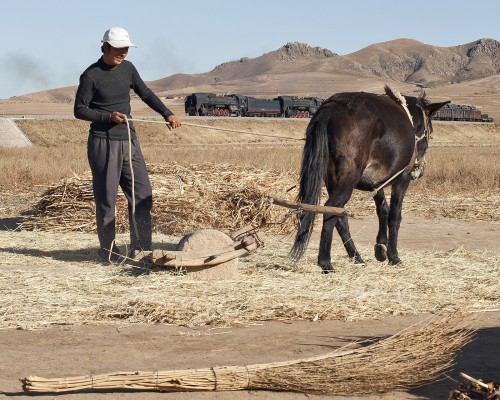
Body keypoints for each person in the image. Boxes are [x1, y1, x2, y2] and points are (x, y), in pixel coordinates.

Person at [74, 27, 181, 263]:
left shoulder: (129, 69)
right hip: (104, 144)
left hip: (130, 141)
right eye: (119, 49)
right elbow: (79, 110)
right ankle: (109, 253)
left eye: (126, 49)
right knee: (107, 200)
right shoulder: (91, 75)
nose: (123, 53)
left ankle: (141, 250)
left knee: (143, 194)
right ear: (106, 47)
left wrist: (167, 113)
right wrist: (107, 117)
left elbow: (146, 93)